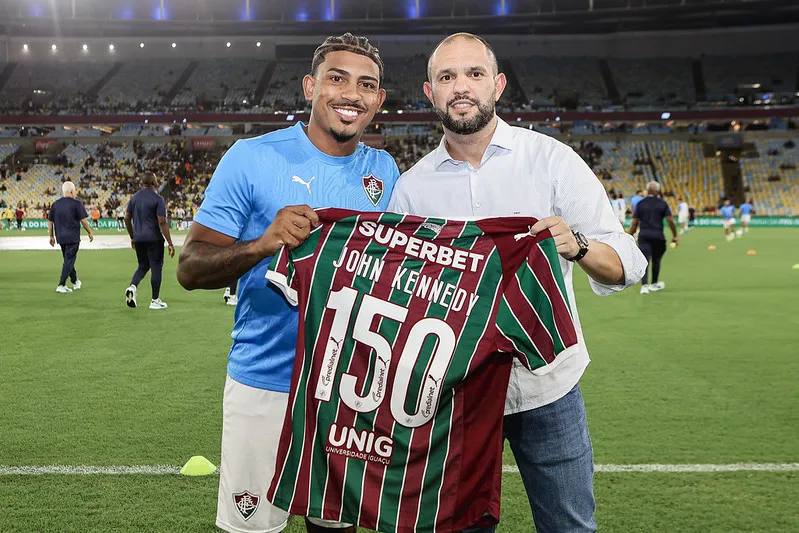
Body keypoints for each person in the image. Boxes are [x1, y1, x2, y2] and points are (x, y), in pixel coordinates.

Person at [387, 33, 646, 533]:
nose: (461, 87)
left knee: (569, 527)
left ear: (498, 84)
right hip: (453, 397)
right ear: (430, 92)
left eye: (474, 74)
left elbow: (628, 263)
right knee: (458, 527)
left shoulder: (551, 160)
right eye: (447, 77)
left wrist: (578, 246)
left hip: (548, 386)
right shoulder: (412, 189)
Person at [176, 33, 399, 533]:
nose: (351, 94)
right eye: (337, 78)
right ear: (309, 87)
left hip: (348, 392)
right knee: (252, 527)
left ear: (379, 100)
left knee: (335, 527)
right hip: (265, 382)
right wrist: (262, 244)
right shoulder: (251, 157)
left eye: (366, 85)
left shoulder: (385, 171)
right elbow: (189, 268)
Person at [124, 172, 175, 310]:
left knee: (143, 265)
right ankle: (155, 300)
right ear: (154, 183)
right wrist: (170, 243)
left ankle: (132, 287)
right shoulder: (158, 199)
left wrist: (132, 237)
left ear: (142, 183)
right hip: (154, 238)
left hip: (139, 238)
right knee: (156, 267)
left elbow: (127, 218)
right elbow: (162, 222)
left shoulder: (134, 198)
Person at [627, 181, 678, 294]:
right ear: (658, 191)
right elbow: (670, 221)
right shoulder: (662, 204)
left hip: (644, 236)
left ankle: (644, 286)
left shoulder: (640, 204)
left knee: (644, 261)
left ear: (647, 191)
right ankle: (654, 283)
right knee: (656, 260)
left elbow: (634, 223)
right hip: (658, 236)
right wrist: (675, 236)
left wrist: (629, 235)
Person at [48, 181, 94, 293]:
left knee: (68, 260)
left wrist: (51, 236)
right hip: (72, 237)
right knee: (69, 260)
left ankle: (75, 281)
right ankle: (61, 284)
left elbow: (50, 221)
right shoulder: (77, 203)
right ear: (73, 191)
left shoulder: (55, 204)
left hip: (61, 237)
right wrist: (89, 232)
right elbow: (83, 220)